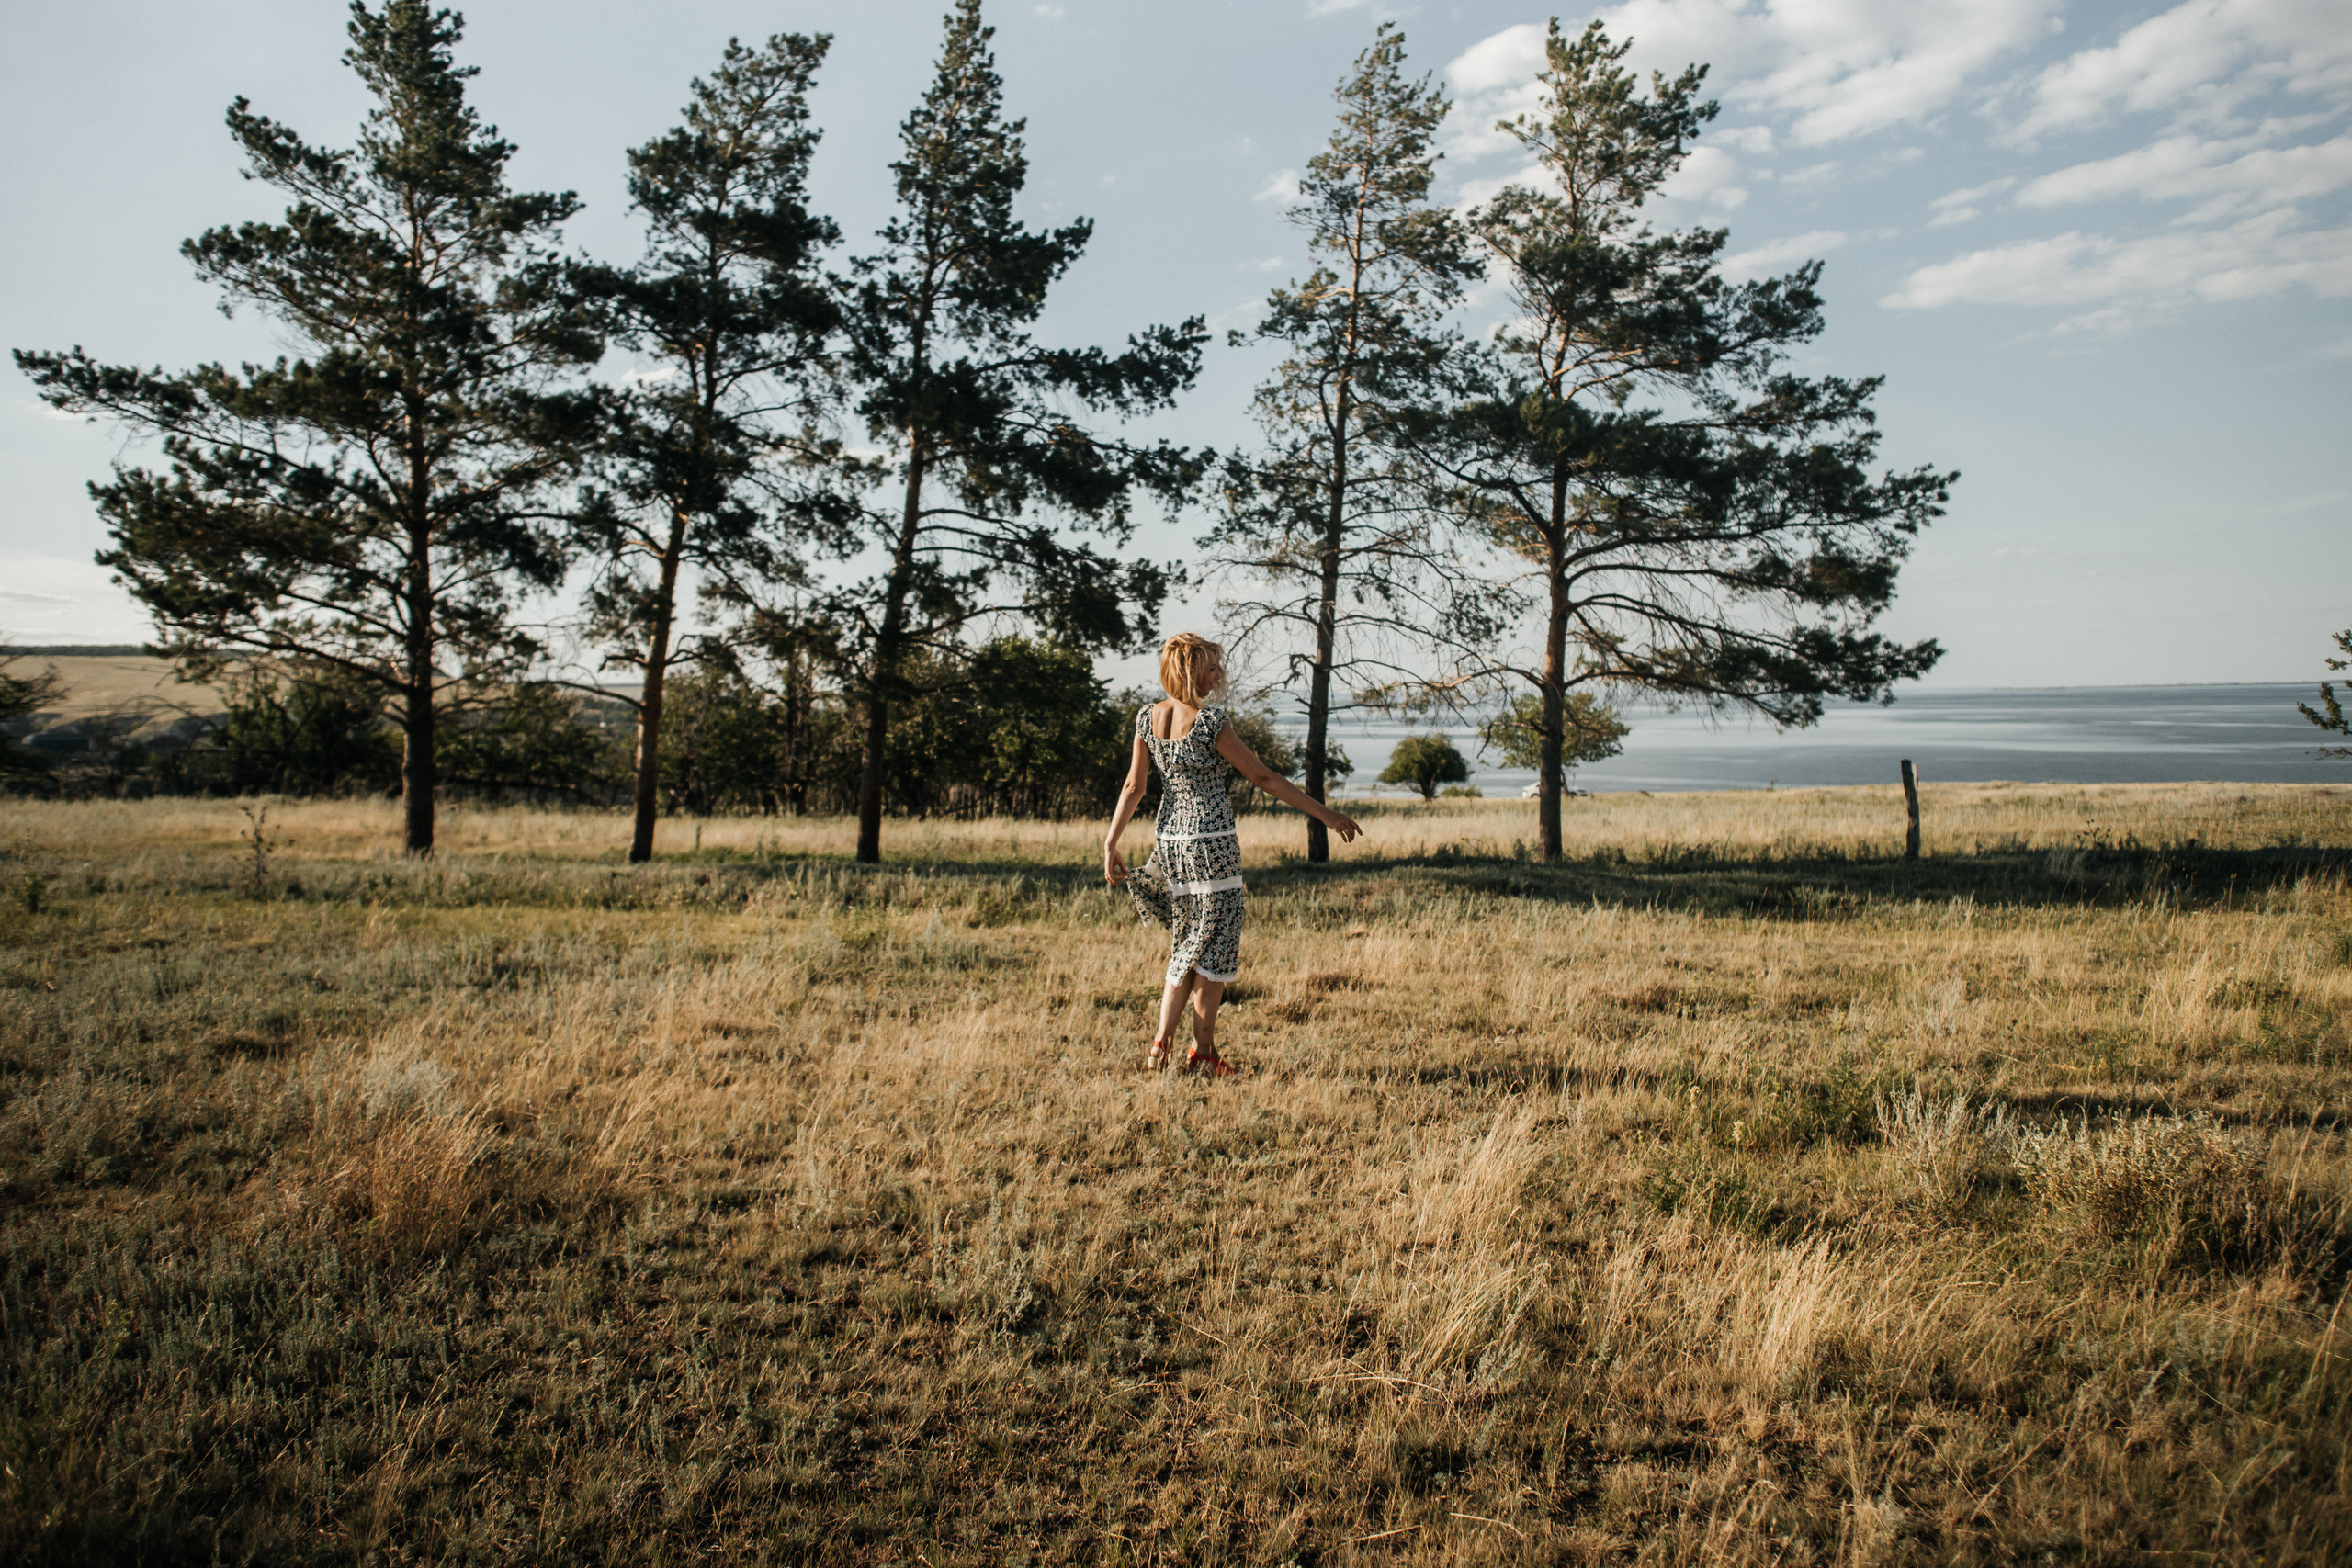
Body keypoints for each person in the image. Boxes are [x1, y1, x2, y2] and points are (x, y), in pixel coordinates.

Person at [1103, 633, 1361, 1074]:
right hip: (1212, 844)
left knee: (1185, 942)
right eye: (1210, 669)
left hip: (1171, 844)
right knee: (1215, 949)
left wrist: (1110, 842)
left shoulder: (1147, 719)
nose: (1217, 676)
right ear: (1189, 672)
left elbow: (1134, 787)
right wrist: (1324, 814)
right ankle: (1203, 1054)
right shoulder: (1209, 723)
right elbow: (1263, 777)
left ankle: (1161, 1047)